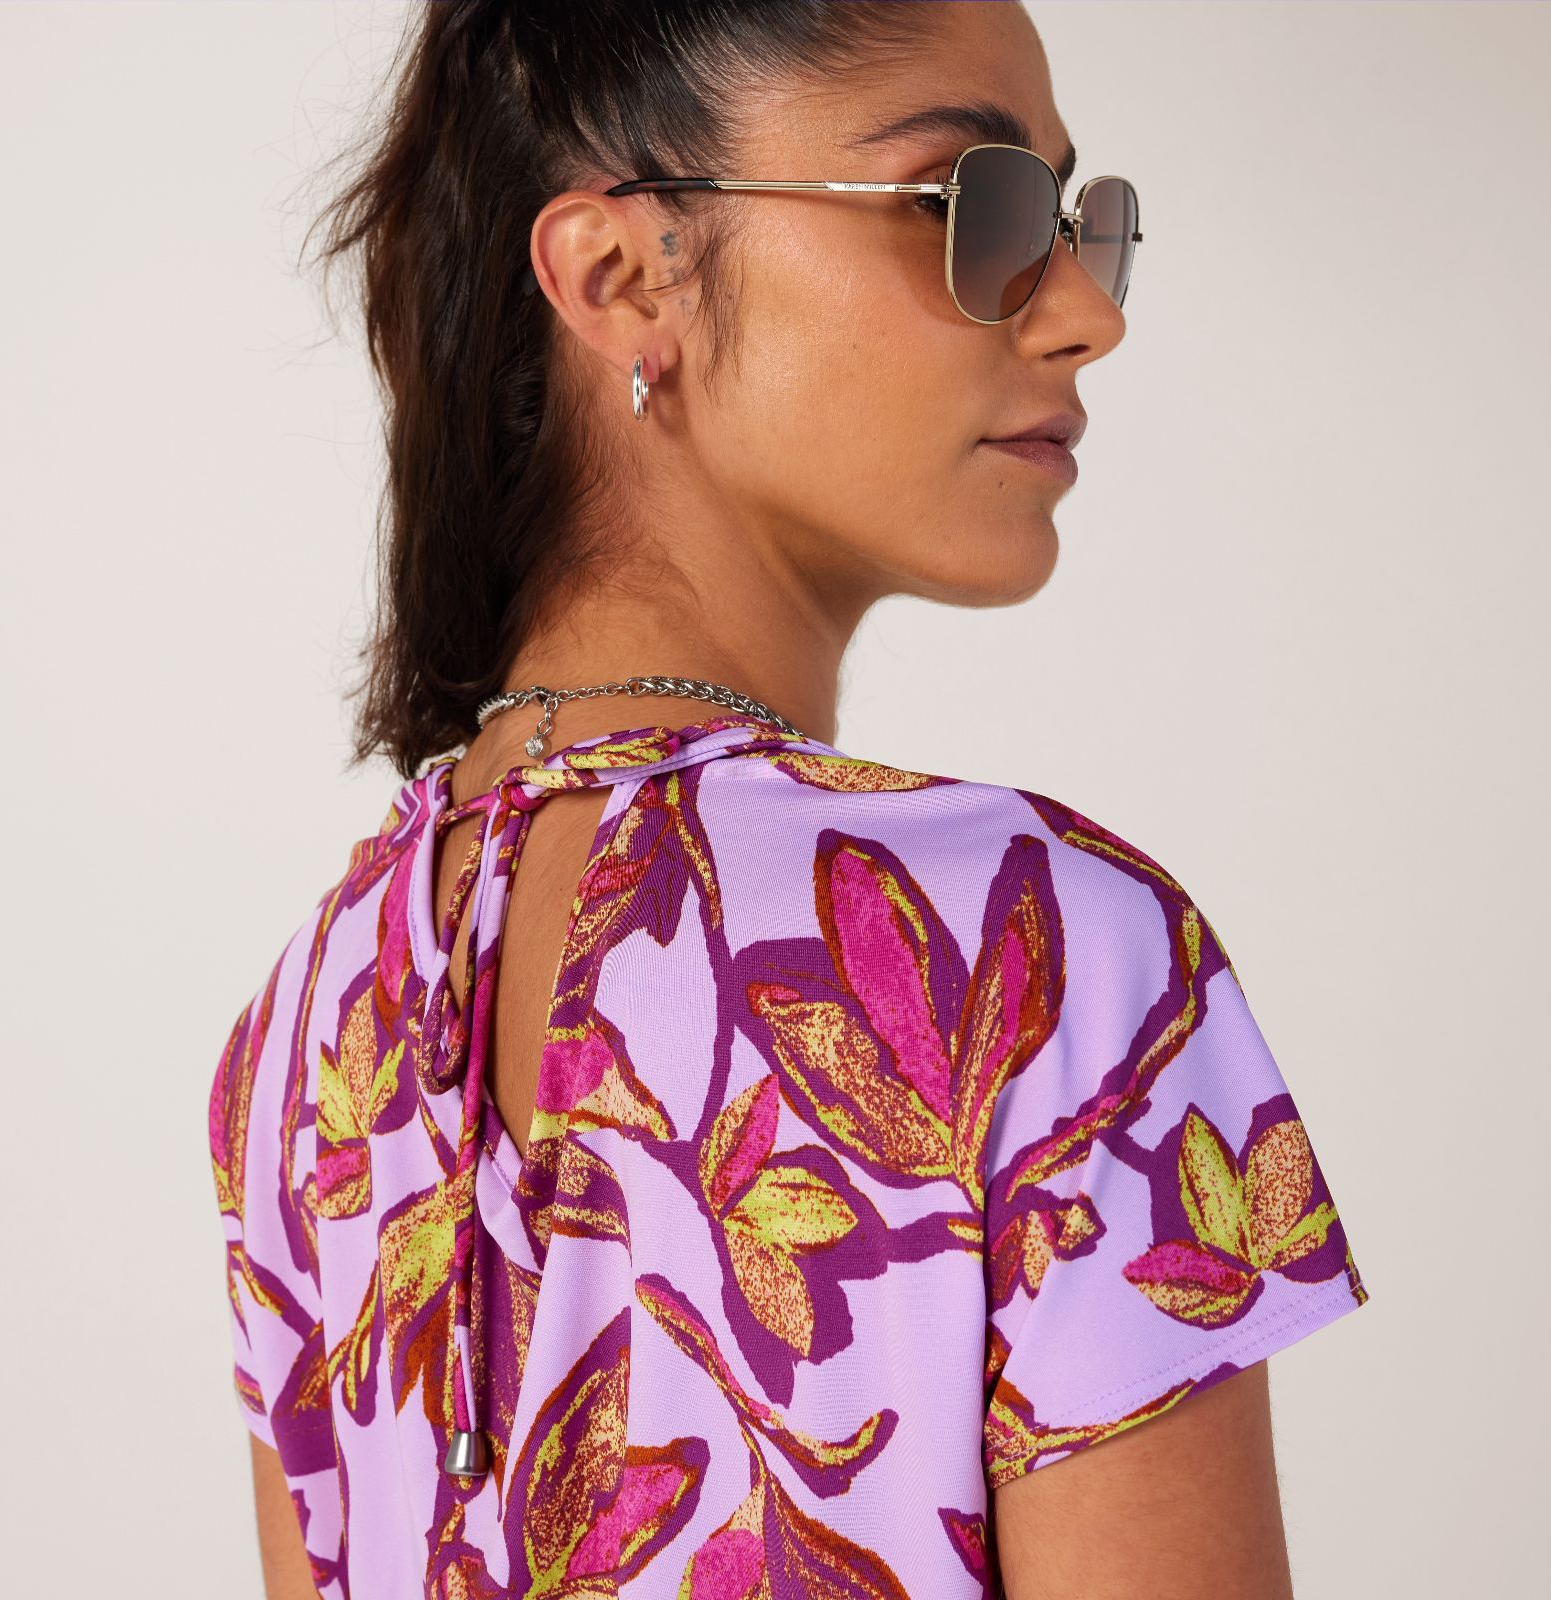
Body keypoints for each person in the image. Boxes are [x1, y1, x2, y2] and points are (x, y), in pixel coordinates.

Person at [206, 3, 1370, 1596]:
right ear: (624, 277)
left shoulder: (304, 1033)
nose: (1086, 311)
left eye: (1076, 218)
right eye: (973, 206)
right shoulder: (1035, 952)